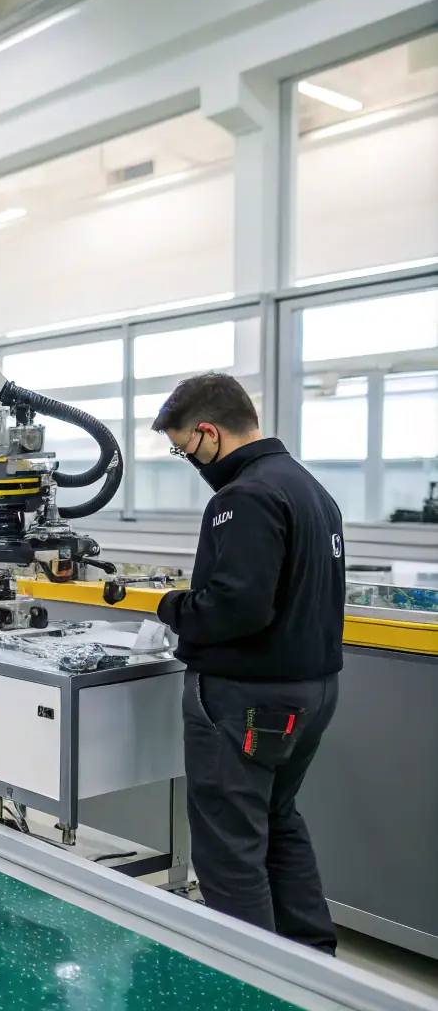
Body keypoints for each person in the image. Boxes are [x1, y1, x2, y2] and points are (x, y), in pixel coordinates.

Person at [151, 372, 343, 954]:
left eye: (185, 449)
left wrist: (174, 605)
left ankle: (248, 980)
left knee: (229, 848)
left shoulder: (244, 496)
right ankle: (311, 963)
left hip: (247, 698)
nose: (190, 460)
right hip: (311, 691)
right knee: (278, 822)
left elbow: (238, 607)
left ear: (208, 432)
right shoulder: (309, 487)